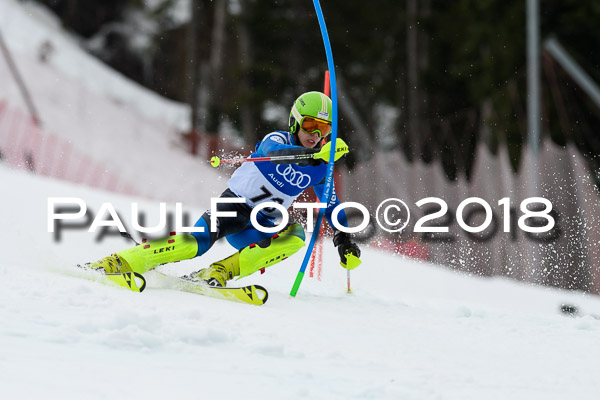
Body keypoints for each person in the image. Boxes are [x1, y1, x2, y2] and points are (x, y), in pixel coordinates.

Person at [90, 91, 361, 287]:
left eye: (322, 128)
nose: (315, 134)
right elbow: (275, 152)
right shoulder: (277, 140)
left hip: (261, 223)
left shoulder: (320, 168)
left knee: (296, 235)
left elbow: (331, 204)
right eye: (310, 125)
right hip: (233, 206)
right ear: (295, 122)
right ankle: (123, 261)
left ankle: (219, 273)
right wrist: (314, 156)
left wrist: (344, 240)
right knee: (195, 244)